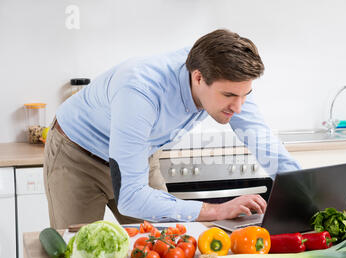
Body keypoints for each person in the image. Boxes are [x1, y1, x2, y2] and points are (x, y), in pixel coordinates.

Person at [43, 29, 301, 229]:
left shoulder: (228, 78)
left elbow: (262, 141)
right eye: (230, 95)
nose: (239, 107)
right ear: (198, 77)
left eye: (246, 95)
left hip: (140, 154)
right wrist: (216, 210)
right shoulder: (140, 91)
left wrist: (310, 198)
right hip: (78, 157)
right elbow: (132, 197)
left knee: (166, 246)